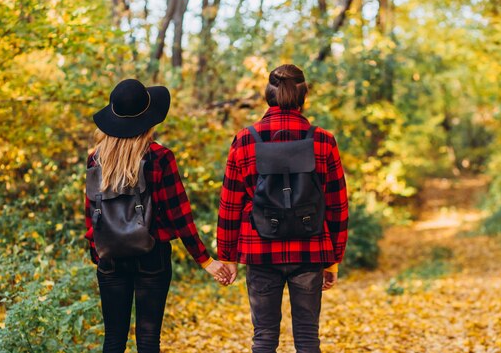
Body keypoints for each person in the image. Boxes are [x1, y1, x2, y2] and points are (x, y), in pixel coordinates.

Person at [84, 79, 229, 353]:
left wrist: (98, 253)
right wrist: (204, 259)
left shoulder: (96, 159)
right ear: (148, 119)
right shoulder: (160, 157)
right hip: (152, 254)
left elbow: (92, 211)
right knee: (149, 341)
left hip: (110, 256)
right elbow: (179, 214)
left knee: (113, 340)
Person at [217, 64, 349, 353]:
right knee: (307, 337)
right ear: (303, 96)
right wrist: (333, 258)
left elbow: (230, 203)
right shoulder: (323, 140)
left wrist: (228, 256)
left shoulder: (245, 139)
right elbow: (337, 205)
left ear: (268, 95)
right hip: (310, 248)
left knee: (263, 338)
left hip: (260, 249)